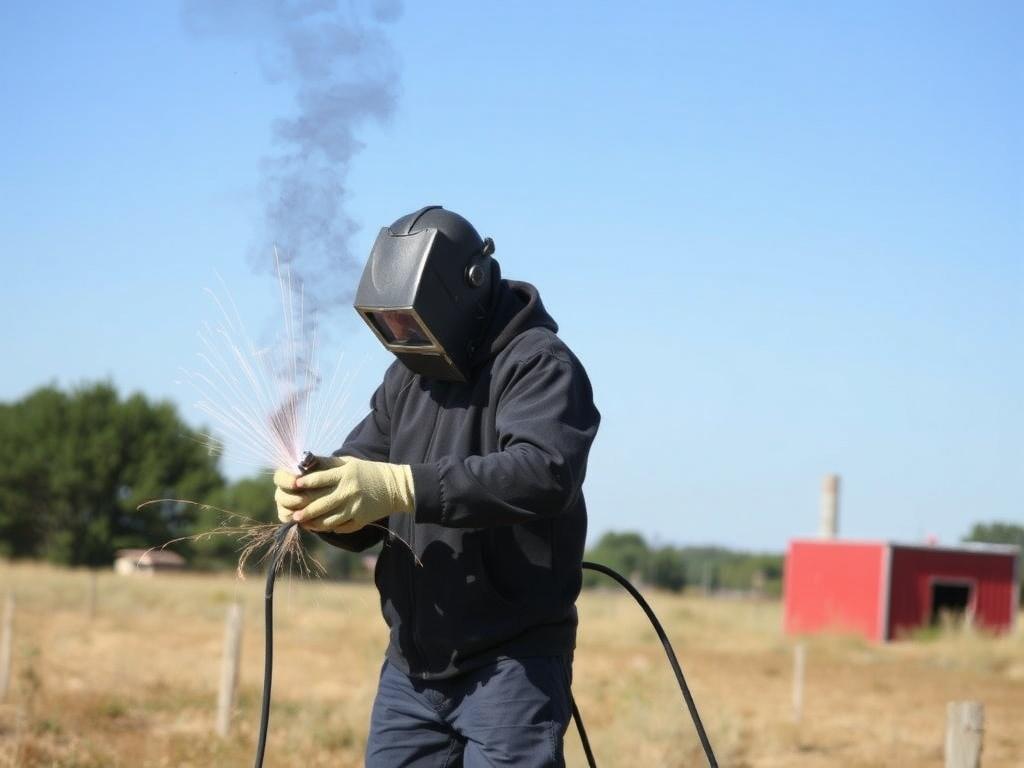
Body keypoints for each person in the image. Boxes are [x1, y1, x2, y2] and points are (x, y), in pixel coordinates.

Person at [273, 205, 600, 767]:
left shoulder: (539, 364)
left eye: (410, 322)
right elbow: (367, 481)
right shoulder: (407, 378)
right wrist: (325, 500)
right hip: (411, 669)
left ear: (466, 286)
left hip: (511, 667)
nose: (402, 338)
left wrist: (403, 487)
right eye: (389, 325)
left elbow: (544, 472)